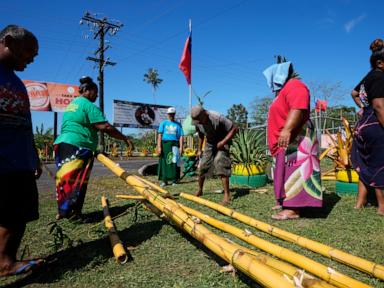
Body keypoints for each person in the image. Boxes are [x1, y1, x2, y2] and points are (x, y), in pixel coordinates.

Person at [54, 76, 133, 221]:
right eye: (95, 92)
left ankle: (63, 212)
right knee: (78, 181)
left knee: (65, 180)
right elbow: (105, 127)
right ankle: (74, 214)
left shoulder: (73, 104)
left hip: (62, 144)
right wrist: (125, 138)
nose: (96, 95)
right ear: (88, 90)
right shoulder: (88, 105)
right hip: (78, 146)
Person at [0, 25, 44, 276]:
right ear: (8, 42)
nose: (33, 58)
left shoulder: (17, 83)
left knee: (17, 213)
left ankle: (6, 262)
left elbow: (26, 125)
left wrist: (33, 155)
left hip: (19, 162)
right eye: (29, 51)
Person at [264, 61, 322, 220]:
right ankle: (286, 201)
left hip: (297, 136)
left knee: (295, 169)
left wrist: (287, 129)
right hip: (288, 136)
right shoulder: (285, 89)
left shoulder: (295, 86)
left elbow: (298, 107)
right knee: (286, 169)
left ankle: (293, 209)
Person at [351, 38, 384, 215]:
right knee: (380, 163)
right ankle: (382, 207)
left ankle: (360, 203)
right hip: (376, 123)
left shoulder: (369, 76)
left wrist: (363, 107)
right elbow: (379, 106)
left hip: (364, 123)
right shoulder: (380, 76)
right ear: (380, 62)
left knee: (365, 164)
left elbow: (354, 93)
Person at [191, 106, 238, 205]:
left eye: (200, 120)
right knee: (203, 166)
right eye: (197, 121)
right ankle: (200, 190)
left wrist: (223, 142)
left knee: (220, 163)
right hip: (210, 143)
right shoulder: (197, 121)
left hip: (222, 140)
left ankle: (227, 195)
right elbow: (200, 134)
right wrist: (199, 149)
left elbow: (234, 129)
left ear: (204, 113)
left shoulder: (217, 117)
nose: (198, 122)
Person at [157, 107, 184, 186]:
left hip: (174, 144)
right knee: (164, 161)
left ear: (174, 114)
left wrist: (181, 147)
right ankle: (164, 180)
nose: (171, 115)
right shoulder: (163, 123)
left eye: (172, 114)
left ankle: (174, 180)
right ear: (167, 114)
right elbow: (159, 135)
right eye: (170, 114)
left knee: (174, 161)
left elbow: (181, 136)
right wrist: (159, 147)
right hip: (165, 144)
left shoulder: (178, 124)